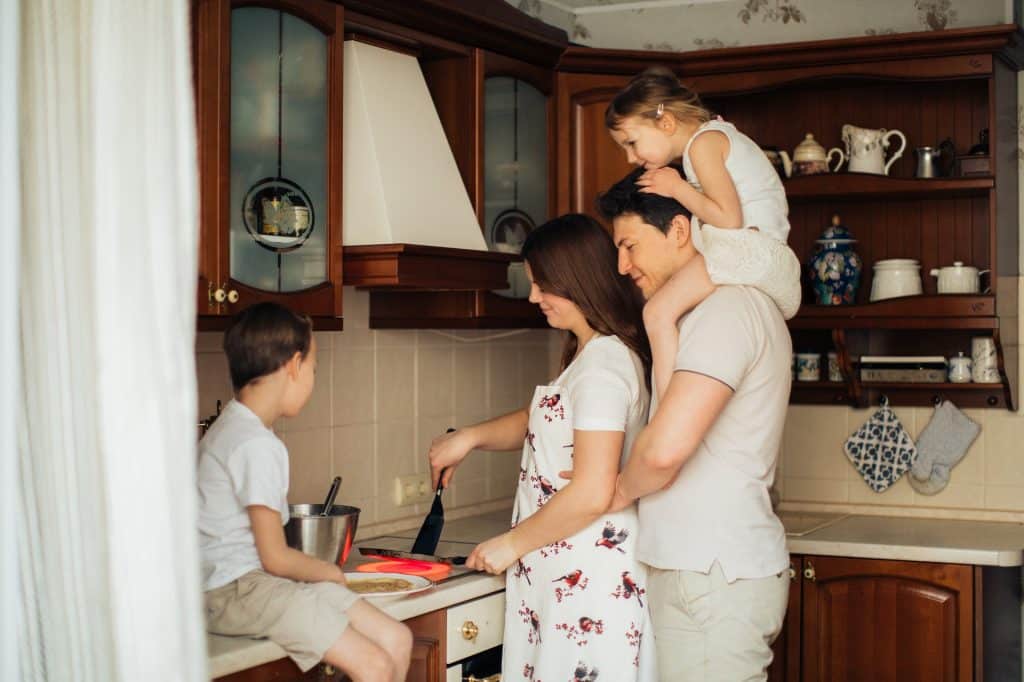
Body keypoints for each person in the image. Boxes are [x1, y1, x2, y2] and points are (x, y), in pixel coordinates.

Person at [426, 214, 658, 682]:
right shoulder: (591, 356)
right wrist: (469, 437)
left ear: (577, 280)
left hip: (588, 583)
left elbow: (593, 490)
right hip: (569, 571)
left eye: (541, 284)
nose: (534, 297)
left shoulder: (602, 368)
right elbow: (548, 419)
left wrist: (510, 543)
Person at [596, 171, 792, 681]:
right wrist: (660, 319)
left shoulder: (728, 309)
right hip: (706, 570)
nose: (623, 265)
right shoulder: (697, 313)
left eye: (630, 245)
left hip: (712, 574)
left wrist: (617, 490)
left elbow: (664, 452)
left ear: (680, 230)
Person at [198, 302, 412, 682]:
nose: (312, 378)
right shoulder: (254, 444)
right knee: (375, 664)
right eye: (314, 368)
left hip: (256, 586)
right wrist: (328, 570)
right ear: (294, 365)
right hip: (233, 591)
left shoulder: (235, 427)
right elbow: (275, 558)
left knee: (397, 639)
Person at [605, 66, 802, 399]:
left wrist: (676, 187)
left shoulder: (703, 145)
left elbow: (728, 219)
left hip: (745, 249)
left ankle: (665, 412)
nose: (630, 157)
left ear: (665, 122)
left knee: (657, 312)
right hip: (762, 252)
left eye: (632, 143)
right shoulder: (717, 135)